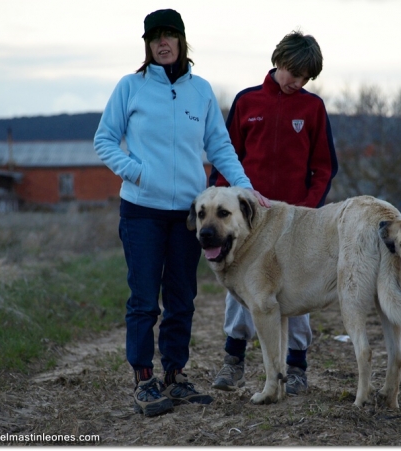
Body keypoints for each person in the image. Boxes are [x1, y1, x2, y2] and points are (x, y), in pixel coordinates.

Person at [94, 8, 269, 417]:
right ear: (148, 45)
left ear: (182, 40)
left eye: (169, 35)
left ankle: (175, 375)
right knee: (143, 299)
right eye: (155, 38)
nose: (162, 43)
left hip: (190, 217)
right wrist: (136, 172)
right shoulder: (130, 87)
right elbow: (104, 140)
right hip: (141, 211)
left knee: (182, 298)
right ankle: (144, 379)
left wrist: (243, 188)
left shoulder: (201, 90)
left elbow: (220, 147)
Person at [209, 30, 338, 396]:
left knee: (295, 291)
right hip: (246, 224)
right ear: (279, 61)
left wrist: (308, 210)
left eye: (305, 78)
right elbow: (225, 157)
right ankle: (233, 360)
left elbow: (324, 167)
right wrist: (223, 203)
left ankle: (295, 367)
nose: (297, 83)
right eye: (293, 73)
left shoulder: (312, 109)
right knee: (243, 290)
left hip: (294, 224)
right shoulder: (247, 102)